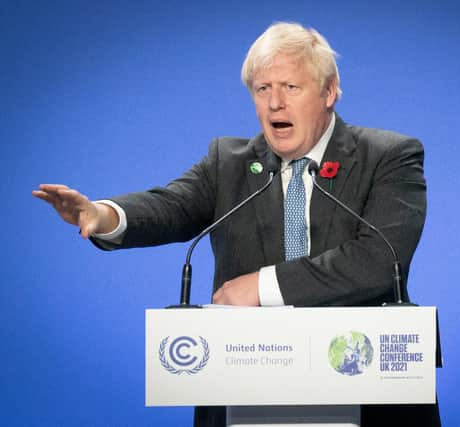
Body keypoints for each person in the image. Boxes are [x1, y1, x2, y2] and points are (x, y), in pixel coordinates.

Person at [33, 22, 438, 427]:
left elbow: (375, 261)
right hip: (245, 392)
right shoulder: (229, 162)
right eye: (263, 89)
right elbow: (171, 206)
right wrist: (103, 215)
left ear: (329, 92)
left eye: (290, 87)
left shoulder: (388, 157)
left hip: (366, 397)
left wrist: (260, 287)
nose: (275, 103)